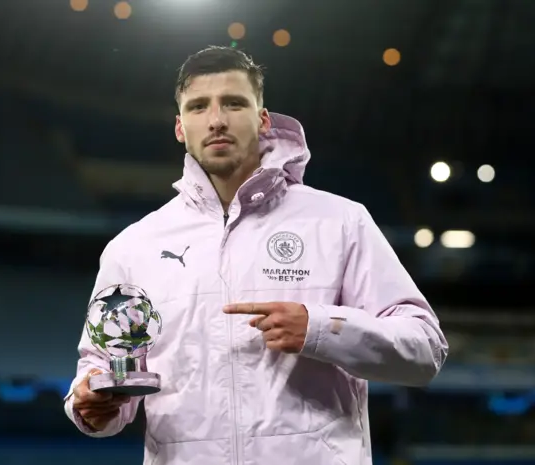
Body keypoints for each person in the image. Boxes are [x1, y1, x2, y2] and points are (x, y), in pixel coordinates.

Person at [64, 45, 448, 465]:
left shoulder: (339, 221)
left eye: (233, 103)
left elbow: (425, 350)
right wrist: (91, 403)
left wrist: (319, 328)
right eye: (198, 107)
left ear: (262, 119)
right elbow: (104, 366)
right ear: (180, 127)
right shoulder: (134, 246)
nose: (216, 120)